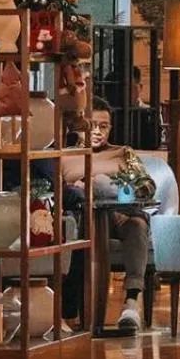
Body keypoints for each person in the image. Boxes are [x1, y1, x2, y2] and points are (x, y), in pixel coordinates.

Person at [62, 97, 153, 333]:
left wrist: (118, 186)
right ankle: (73, 313)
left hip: (119, 215)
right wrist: (78, 188)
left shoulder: (124, 153)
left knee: (137, 224)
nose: (98, 131)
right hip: (81, 218)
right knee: (82, 224)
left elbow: (147, 186)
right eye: (92, 125)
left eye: (104, 126)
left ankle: (131, 302)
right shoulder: (64, 155)